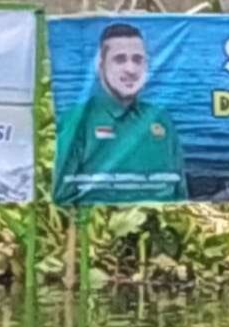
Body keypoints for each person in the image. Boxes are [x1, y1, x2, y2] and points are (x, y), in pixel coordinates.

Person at [54, 22, 187, 205]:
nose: (131, 70)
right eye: (120, 59)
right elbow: (61, 196)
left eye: (137, 60)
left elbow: (180, 193)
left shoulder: (159, 118)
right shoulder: (78, 120)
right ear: (100, 66)